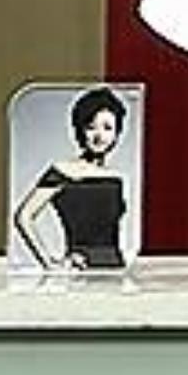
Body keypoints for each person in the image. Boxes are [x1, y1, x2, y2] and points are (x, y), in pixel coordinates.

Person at [14, 86, 129, 270]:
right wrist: (49, 263)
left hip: (116, 269)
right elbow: (23, 216)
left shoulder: (116, 178)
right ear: (81, 129)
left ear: (116, 134)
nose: (99, 135)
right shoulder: (63, 171)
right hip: (81, 271)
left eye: (107, 128)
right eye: (91, 127)